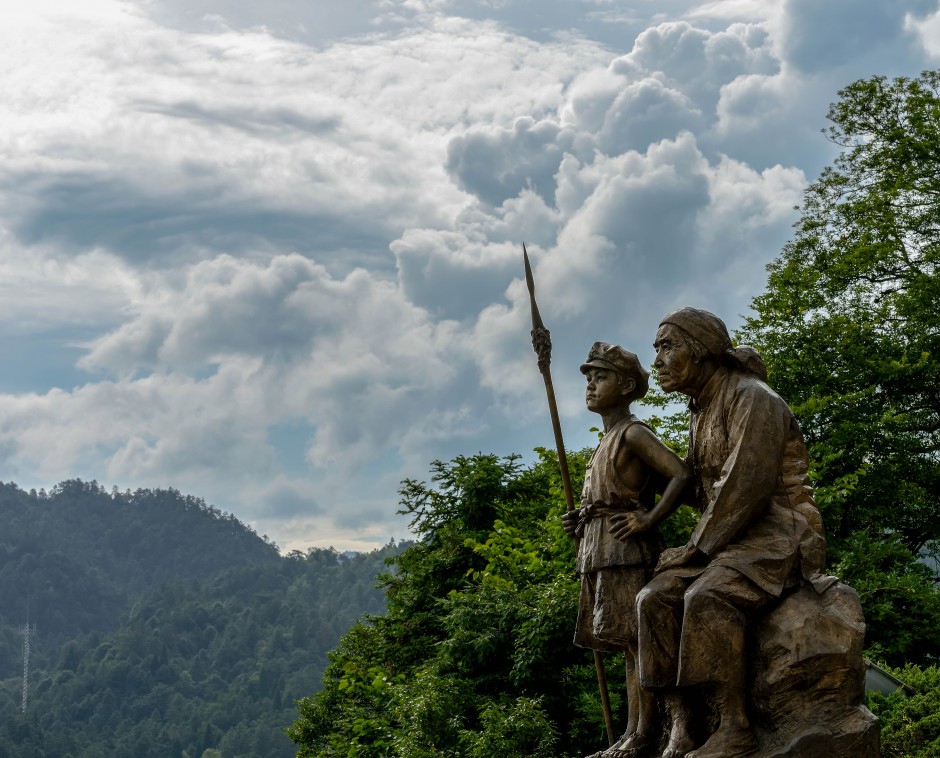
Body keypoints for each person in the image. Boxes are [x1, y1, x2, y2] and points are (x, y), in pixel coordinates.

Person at [636, 308, 833, 758]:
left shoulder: (752, 397)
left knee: (707, 597)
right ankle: (683, 726)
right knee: (653, 599)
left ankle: (735, 726)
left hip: (778, 536)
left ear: (702, 349)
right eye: (656, 350)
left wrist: (692, 549)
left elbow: (744, 486)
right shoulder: (701, 408)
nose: (658, 360)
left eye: (668, 347)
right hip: (730, 540)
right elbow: (703, 487)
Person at [562, 342, 690, 758]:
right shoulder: (605, 440)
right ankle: (634, 730)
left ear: (627, 384)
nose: (591, 385)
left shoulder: (633, 434)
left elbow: (680, 474)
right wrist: (580, 522)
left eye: (601, 377)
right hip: (600, 550)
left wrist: (648, 519)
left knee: (639, 644)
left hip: (627, 551)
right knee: (623, 645)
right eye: (588, 378)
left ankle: (643, 734)